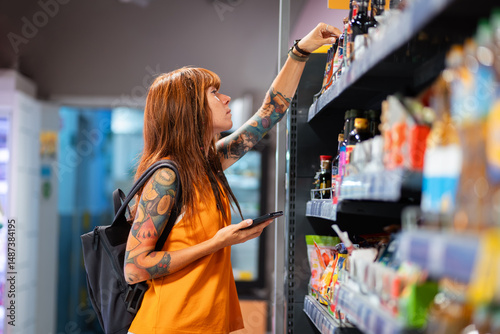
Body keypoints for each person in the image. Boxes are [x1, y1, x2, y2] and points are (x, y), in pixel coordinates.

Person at [124, 22, 341, 334]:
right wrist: (216, 243)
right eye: (214, 92)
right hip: (169, 326)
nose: (226, 98)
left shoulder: (206, 164)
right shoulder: (166, 176)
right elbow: (134, 268)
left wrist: (301, 51)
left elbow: (270, 113)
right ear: (189, 109)